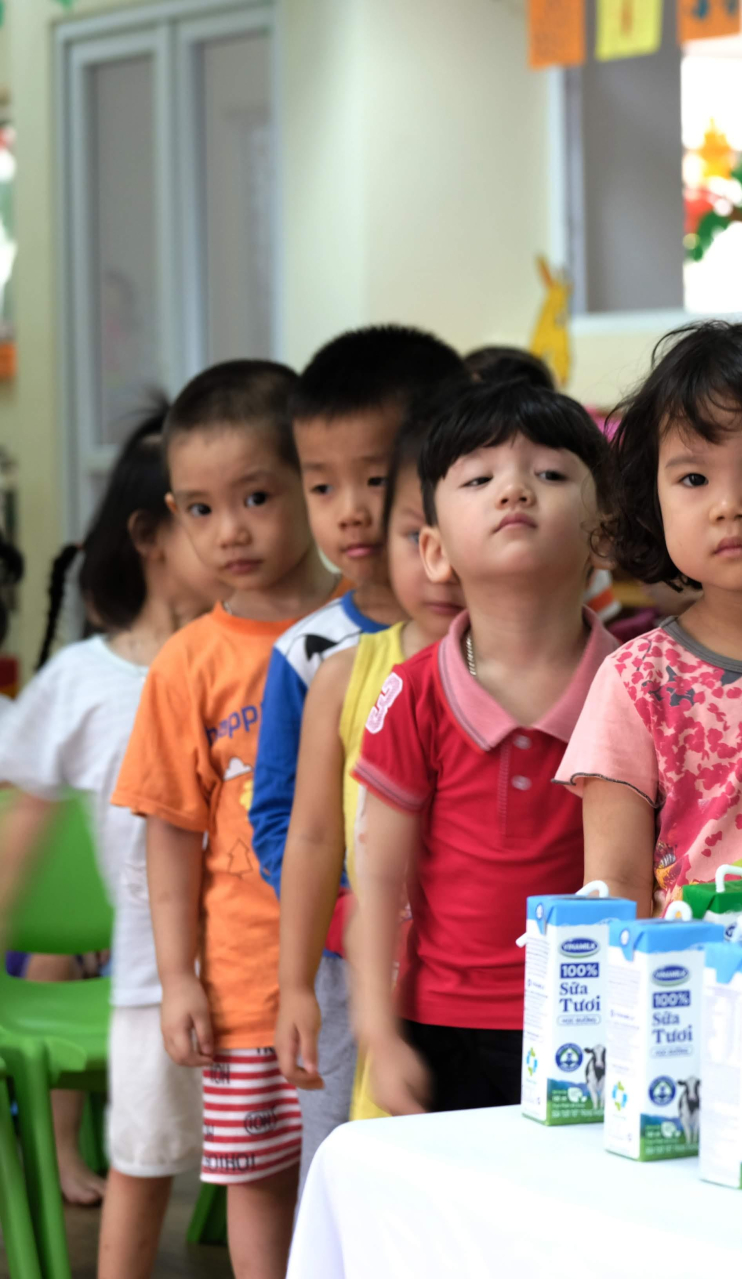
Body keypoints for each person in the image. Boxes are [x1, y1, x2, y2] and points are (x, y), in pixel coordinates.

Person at [112, 361, 337, 1279]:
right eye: (201, 509)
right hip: (246, 983)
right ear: (173, 514)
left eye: (256, 497)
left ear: (310, 483)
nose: (230, 530)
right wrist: (178, 977)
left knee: (352, 1170)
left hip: (363, 966)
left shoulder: (368, 628)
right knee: (260, 1181)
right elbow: (171, 833)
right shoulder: (188, 662)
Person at [350, 379, 619, 1115]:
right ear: (435, 551)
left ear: (604, 536)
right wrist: (377, 1030)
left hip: (591, 1013)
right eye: (479, 479)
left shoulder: (635, 684)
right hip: (441, 1022)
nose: (515, 490)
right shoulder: (414, 693)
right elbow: (377, 877)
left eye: (551, 473)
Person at [0, 413, 224, 1279]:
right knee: (143, 1157)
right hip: (144, 979)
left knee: (273, 1168)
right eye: (202, 510)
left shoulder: (262, 656)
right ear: (151, 535)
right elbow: (25, 823)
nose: (235, 530)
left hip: (262, 967)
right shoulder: (82, 681)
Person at [248, 324, 465, 1180]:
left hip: (473, 968)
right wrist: (324, 945)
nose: (352, 510)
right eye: (322, 483)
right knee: (344, 1164)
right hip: (348, 961)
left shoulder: (507, 646)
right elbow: (286, 828)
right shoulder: (318, 658)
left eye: (375, 479)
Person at [558, 323, 742, 913]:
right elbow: (615, 889)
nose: (728, 506)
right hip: (689, 968)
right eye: (693, 478)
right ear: (651, 497)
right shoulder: (636, 680)